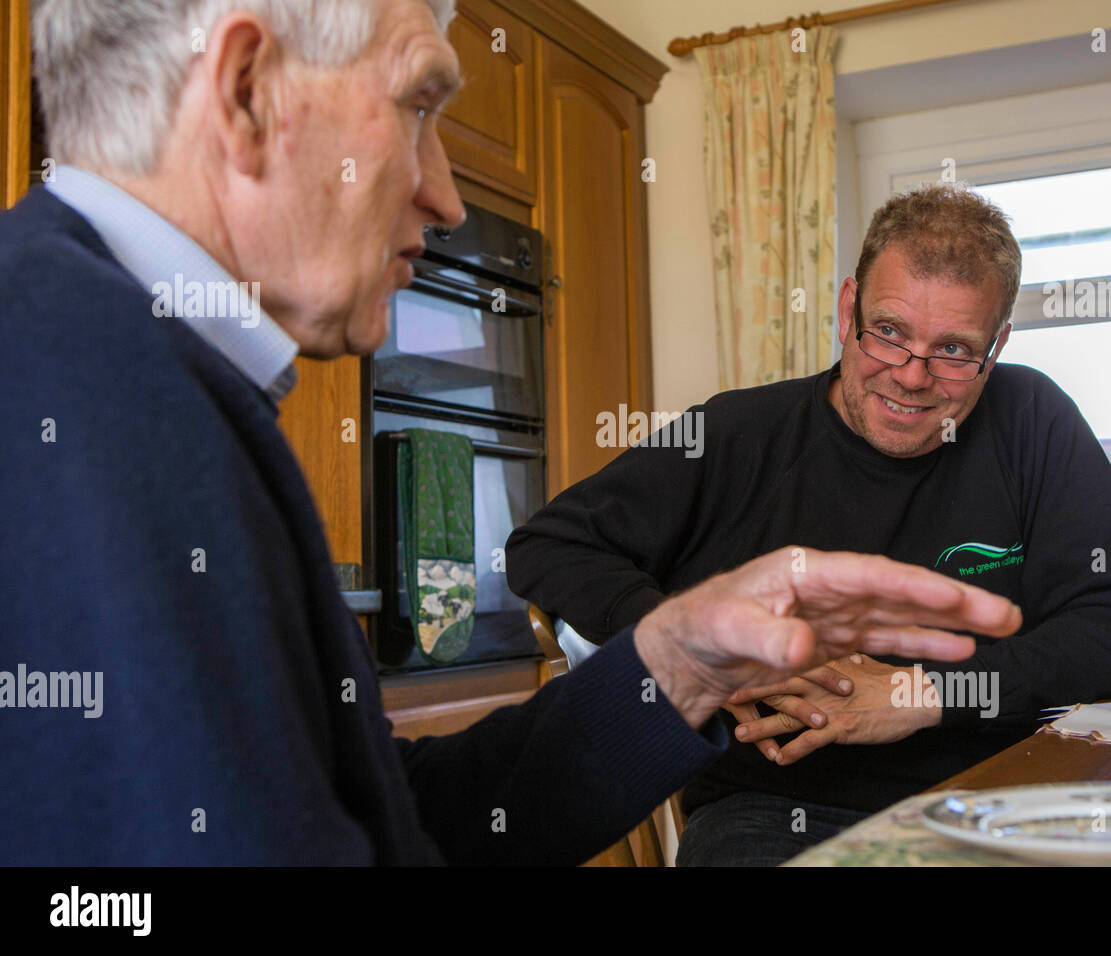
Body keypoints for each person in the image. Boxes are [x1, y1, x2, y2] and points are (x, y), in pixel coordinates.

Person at [0, 0, 1023, 866]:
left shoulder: (135, 359)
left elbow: (393, 817)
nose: (444, 195)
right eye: (418, 105)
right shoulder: (69, 382)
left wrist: (680, 659)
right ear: (246, 90)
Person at [506, 184, 1111, 865]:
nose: (911, 376)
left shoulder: (1032, 419)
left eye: (952, 349)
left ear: (996, 346)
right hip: (772, 810)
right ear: (848, 308)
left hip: (997, 799)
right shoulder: (735, 434)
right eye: (887, 333)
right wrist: (696, 640)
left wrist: (925, 693)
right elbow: (548, 546)